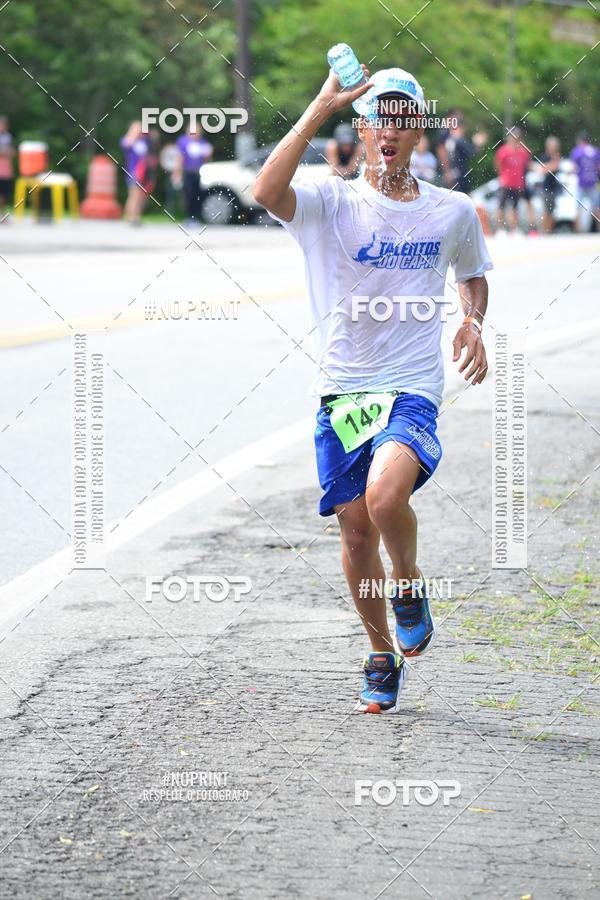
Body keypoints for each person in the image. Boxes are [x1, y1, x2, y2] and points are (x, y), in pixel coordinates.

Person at [253, 65, 492, 713]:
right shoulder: (331, 203)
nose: (391, 128)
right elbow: (264, 190)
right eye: (379, 117)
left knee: (387, 498)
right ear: (363, 129)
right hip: (343, 392)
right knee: (356, 535)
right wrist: (318, 106)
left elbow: (473, 273)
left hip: (412, 385)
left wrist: (472, 321)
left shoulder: (452, 211)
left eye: (404, 118)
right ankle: (380, 653)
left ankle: (408, 584)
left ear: (420, 132)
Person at [494, 127, 537, 235]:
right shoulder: (503, 151)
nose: (515, 140)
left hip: (518, 184)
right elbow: (497, 166)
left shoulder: (523, 152)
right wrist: (504, 177)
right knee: (501, 206)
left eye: (517, 138)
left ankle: (514, 229)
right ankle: (500, 229)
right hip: (505, 183)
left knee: (515, 207)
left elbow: (527, 165)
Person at [175, 124, 213, 225]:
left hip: (199, 172)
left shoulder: (203, 143)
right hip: (188, 172)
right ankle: (189, 217)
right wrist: (177, 173)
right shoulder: (183, 141)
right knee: (188, 195)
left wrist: (208, 155)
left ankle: (197, 217)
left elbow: (207, 160)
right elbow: (179, 158)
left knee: (199, 194)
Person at [120, 121, 156, 225]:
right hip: (133, 171)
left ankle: (136, 216)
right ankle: (130, 217)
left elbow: (149, 152)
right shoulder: (127, 140)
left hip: (144, 172)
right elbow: (126, 144)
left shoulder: (144, 141)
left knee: (141, 196)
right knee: (134, 195)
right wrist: (134, 134)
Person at [570, 132, 600, 234]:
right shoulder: (595, 151)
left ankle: (577, 230)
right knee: (597, 207)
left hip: (582, 183)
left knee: (578, 207)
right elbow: (598, 167)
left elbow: (574, 168)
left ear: (580, 140)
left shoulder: (577, 151)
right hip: (594, 182)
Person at [537, 136, 562, 234]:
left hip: (554, 187)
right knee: (546, 210)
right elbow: (543, 170)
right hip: (546, 187)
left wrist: (552, 165)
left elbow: (555, 167)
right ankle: (543, 231)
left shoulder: (556, 157)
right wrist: (553, 165)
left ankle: (549, 231)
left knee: (552, 211)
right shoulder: (544, 157)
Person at [444, 118, 475, 194]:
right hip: (459, 174)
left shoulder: (450, 141)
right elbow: (471, 152)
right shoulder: (458, 140)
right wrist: (476, 144)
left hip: (454, 173)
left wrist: (447, 172)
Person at [0, 115, 15, 223]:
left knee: (5, 194)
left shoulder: (8, 137)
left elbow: (10, 151)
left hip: (6, 169)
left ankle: (3, 214)